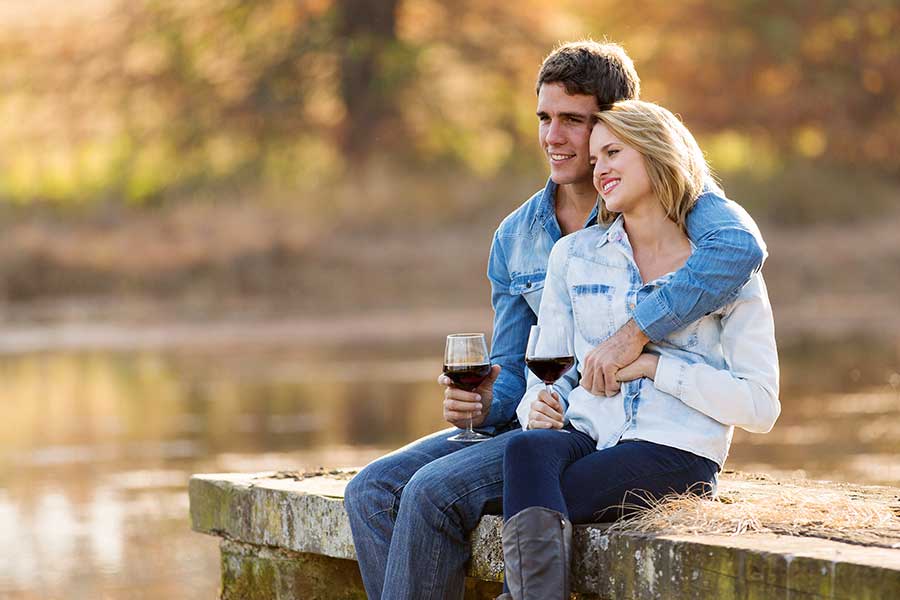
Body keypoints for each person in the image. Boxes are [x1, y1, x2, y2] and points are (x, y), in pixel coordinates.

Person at [344, 40, 767, 600]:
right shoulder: (518, 237)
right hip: (538, 426)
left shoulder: (685, 205)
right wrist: (482, 400)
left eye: (573, 120)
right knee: (369, 491)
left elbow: (740, 249)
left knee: (431, 493)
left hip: (607, 433)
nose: (553, 137)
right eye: (544, 118)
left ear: (614, 124)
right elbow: (517, 371)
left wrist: (633, 338)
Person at [498, 100, 780, 599]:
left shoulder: (722, 272)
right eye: (595, 158)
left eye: (613, 152)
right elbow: (547, 373)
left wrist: (654, 366)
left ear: (655, 153)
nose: (599, 168)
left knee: (536, 496)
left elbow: (760, 407)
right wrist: (538, 405)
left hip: (674, 448)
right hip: (591, 432)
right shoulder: (575, 256)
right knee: (526, 448)